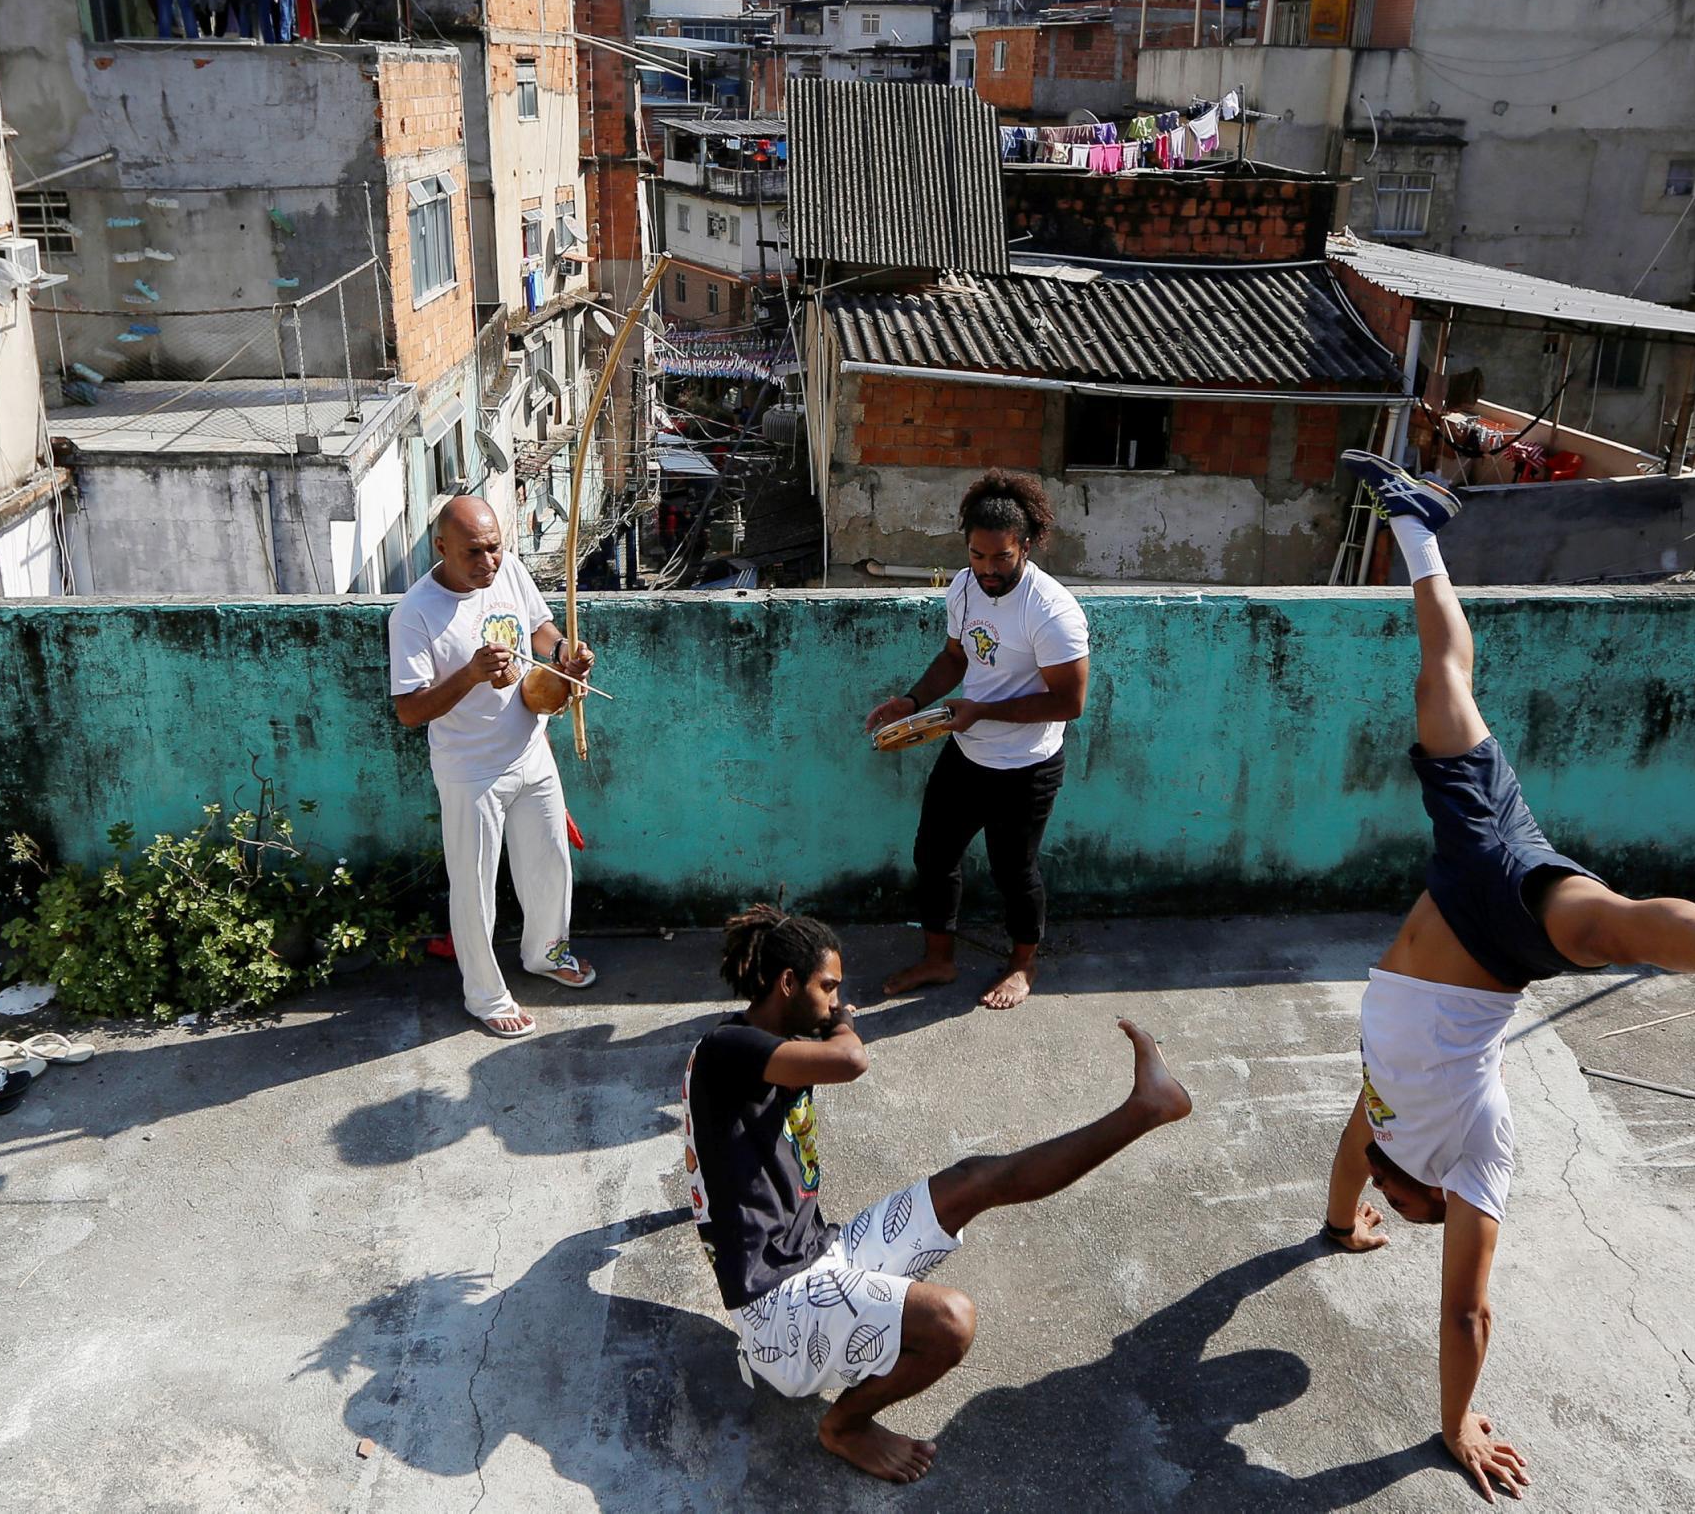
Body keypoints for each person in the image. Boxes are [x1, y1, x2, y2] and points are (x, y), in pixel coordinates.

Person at [1316, 449, 1695, 1505]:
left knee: (1443, 678)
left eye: (1379, 1192)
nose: (1383, 1187)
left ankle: (1415, 523)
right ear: (1433, 1197)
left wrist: (1339, 1226)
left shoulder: (1383, 1117)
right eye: (1396, 1207)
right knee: (1605, 927)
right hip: (1494, 943)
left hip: (1474, 853)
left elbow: (1351, 1150)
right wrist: (1453, 1422)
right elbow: (1466, 1313)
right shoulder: (1472, 1147)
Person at [681, 905, 1191, 1484]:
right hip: (776, 1308)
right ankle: (843, 1426)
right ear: (788, 984)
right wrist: (843, 1022)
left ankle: (1145, 1109)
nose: (836, 999)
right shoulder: (729, 1048)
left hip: (822, 1253)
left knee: (976, 1178)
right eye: (828, 987)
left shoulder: (763, 1050)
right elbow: (851, 1060)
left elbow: (714, 1150)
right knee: (950, 1320)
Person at [862, 472, 1090, 1010]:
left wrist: (981, 710)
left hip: (1027, 765)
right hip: (966, 749)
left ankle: (1023, 964)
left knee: (1015, 870)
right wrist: (911, 703)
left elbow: (1069, 704)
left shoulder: (1052, 612)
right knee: (933, 855)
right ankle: (939, 960)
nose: (988, 570)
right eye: (977, 555)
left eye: (1001, 558)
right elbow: (955, 658)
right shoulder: (964, 587)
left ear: (1025, 547)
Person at [388, 493, 599, 1038]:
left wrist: (563, 654)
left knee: (551, 862)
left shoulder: (507, 573)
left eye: (495, 550)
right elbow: (410, 711)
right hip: (469, 770)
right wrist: (471, 674)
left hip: (531, 748)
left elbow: (541, 627)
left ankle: (547, 956)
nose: (488, 564)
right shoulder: (414, 613)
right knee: (475, 886)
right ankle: (484, 995)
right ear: (441, 548)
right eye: (473, 554)